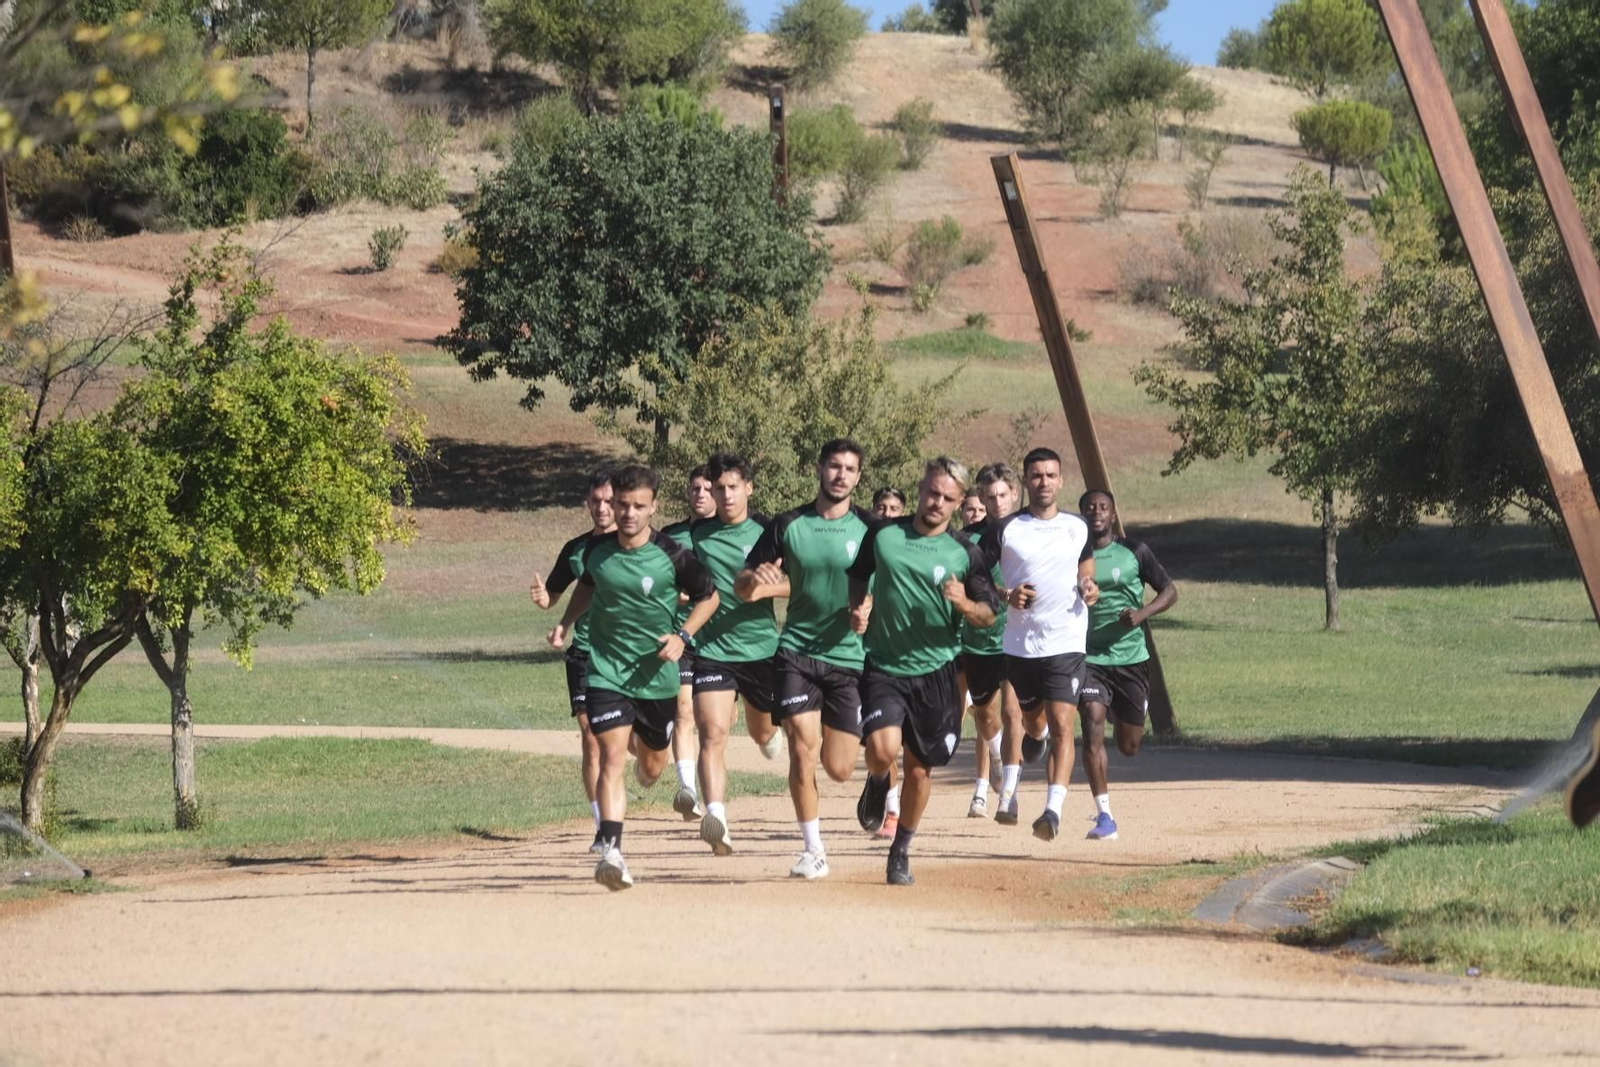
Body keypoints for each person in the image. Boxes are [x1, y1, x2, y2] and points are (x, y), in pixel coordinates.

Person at [549, 464, 718, 890]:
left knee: (651, 766)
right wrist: (567, 621)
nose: (627, 513)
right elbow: (586, 585)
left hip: (656, 677)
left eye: (638, 506)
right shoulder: (597, 551)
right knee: (608, 757)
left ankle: (649, 763)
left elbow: (709, 597)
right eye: (622, 505)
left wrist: (683, 636)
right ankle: (612, 852)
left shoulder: (673, 554)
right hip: (606, 671)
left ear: (653, 506)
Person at [849, 457, 1000, 886]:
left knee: (920, 769)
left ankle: (900, 851)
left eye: (948, 498)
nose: (937, 502)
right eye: (932, 492)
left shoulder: (965, 553)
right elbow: (859, 575)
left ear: (958, 504)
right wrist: (857, 607)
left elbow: (989, 614)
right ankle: (878, 781)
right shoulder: (882, 535)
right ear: (921, 488)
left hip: (937, 673)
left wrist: (964, 602)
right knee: (881, 749)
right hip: (883, 664)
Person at [737, 439, 873, 880]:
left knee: (839, 767)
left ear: (858, 477)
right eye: (834, 466)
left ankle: (880, 776)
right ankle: (813, 849)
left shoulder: (872, 530)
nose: (841, 475)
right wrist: (752, 579)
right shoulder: (787, 524)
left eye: (850, 469)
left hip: (849, 659)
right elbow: (743, 585)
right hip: (796, 651)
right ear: (820, 468)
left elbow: (893, 584)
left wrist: (869, 608)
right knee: (801, 749)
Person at [979, 447, 1098, 843]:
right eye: (1036, 475)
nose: (1044, 481)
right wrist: (1005, 593)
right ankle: (1037, 736)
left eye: (1050, 475)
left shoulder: (1078, 526)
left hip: (1066, 639)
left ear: (1061, 480)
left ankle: (1052, 811)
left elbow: (1086, 562)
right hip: (1021, 644)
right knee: (1032, 721)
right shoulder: (1006, 529)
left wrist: (1087, 584)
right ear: (1024, 483)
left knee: (1066, 722)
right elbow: (976, 576)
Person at [690, 452, 784, 857]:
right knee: (712, 733)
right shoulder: (694, 535)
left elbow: (801, 582)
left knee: (762, 731)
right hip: (712, 650)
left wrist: (765, 588)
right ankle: (716, 817)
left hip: (762, 650)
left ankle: (768, 734)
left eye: (733, 487)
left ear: (749, 488)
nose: (726, 495)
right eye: (719, 488)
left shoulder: (770, 532)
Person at [1078, 489, 1178, 841]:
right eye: (1090, 508)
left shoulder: (1135, 551)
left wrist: (1142, 614)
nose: (1096, 513)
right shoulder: (1074, 556)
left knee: (1128, 745)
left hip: (1132, 659)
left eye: (1103, 507)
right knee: (1092, 722)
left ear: (1113, 513)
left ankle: (1126, 709)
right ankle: (1105, 816)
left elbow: (1170, 590)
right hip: (1090, 658)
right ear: (1082, 514)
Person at [527, 470, 614, 851]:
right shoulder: (576, 549)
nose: (602, 507)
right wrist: (542, 598)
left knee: (639, 746)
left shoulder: (638, 544)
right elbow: (553, 597)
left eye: (609, 500)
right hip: (584, 653)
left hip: (628, 654)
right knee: (591, 738)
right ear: (587, 502)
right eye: (595, 500)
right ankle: (602, 828)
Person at [959, 463, 1020, 819]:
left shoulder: (1030, 530)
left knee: (1014, 713)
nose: (996, 502)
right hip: (980, 639)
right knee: (985, 716)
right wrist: (1001, 592)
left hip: (1019, 639)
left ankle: (1008, 796)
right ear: (981, 498)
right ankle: (996, 756)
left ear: (1014, 493)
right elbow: (970, 581)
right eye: (990, 496)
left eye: (1002, 494)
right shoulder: (968, 539)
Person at [660, 467, 717, 821]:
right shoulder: (670, 536)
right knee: (683, 711)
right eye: (694, 487)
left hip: (724, 641)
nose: (700, 493)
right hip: (682, 636)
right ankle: (688, 791)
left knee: (715, 721)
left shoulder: (730, 532)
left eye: (707, 488)